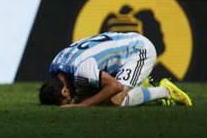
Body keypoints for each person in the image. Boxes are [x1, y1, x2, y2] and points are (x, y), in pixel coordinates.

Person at [39, 32, 192, 108]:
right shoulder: (56, 65)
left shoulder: (81, 71)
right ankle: (140, 83)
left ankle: (165, 91)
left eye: (66, 101)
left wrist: (81, 106)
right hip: (125, 43)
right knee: (91, 93)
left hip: (139, 50)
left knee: (116, 99)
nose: (70, 102)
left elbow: (115, 87)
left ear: (64, 91)